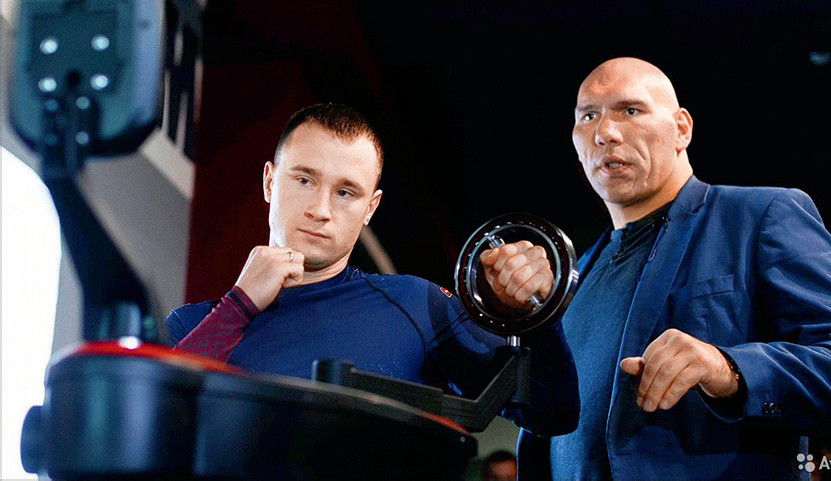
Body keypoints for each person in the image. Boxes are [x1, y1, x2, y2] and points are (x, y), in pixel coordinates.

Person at [165, 103, 579, 437]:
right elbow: (152, 419)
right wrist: (239, 306)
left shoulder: (417, 305)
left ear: (370, 208)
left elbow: (553, 413)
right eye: (305, 180)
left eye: (346, 192)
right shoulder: (193, 324)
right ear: (270, 182)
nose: (320, 210)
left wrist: (536, 312)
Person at [519, 57, 831, 479]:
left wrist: (728, 369)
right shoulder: (577, 274)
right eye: (588, 116)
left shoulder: (759, 215)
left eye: (631, 110)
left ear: (682, 128)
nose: (605, 132)